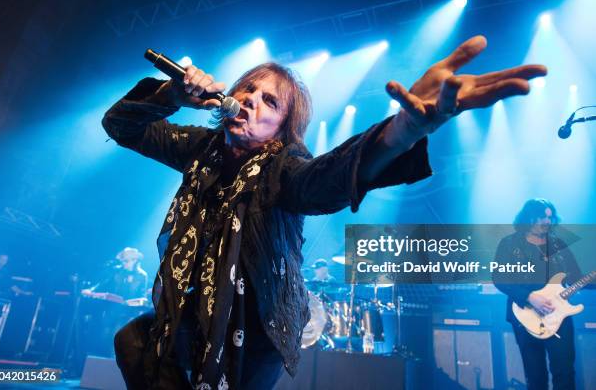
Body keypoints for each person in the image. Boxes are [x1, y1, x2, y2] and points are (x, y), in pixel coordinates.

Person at [104, 35, 546, 389]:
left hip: (254, 336)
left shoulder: (282, 169)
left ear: (282, 127)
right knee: (133, 343)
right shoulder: (201, 148)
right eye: (248, 89)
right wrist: (170, 93)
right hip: (186, 318)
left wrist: (405, 129)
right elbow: (120, 125)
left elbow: (329, 179)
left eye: (270, 101)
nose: (252, 99)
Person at [493, 199, 582, 390]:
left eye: (550, 217)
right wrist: (529, 297)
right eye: (542, 216)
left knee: (565, 372)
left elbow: (576, 276)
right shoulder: (509, 244)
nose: (547, 221)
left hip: (559, 316)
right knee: (535, 376)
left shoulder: (558, 244)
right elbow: (499, 278)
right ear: (528, 217)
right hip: (525, 316)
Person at [82, 247, 149, 300]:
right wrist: (91, 290)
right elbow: (103, 283)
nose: (123, 263)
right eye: (122, 261)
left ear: (134, 260)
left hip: (130, 309)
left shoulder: (142, 275)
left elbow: (142, 295)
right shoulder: (117, 270)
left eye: (126, 261)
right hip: (113, 306)